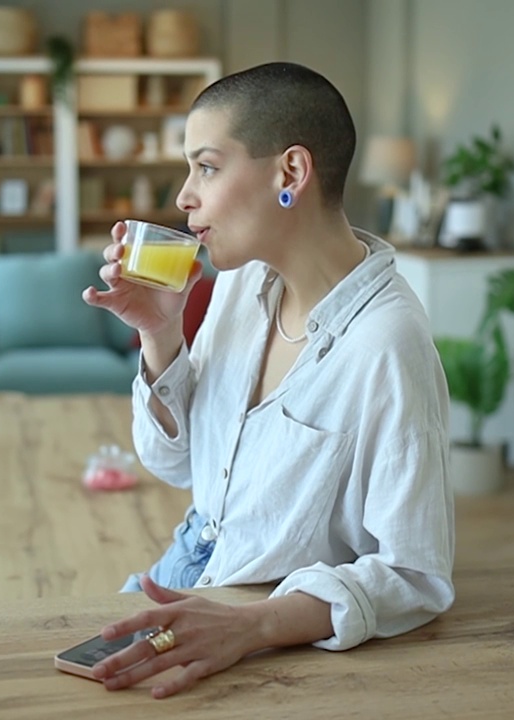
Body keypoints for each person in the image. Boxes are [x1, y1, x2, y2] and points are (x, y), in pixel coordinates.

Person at [81, 61, 455, 699]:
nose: (183, 198)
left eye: (206, 166)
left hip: (273, 628)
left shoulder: (387, 345)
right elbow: (174, 465)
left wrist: (246, 626)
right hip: (187, 575)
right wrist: (160, 334)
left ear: (290, 173)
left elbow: (415, 574)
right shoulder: (241, 283)